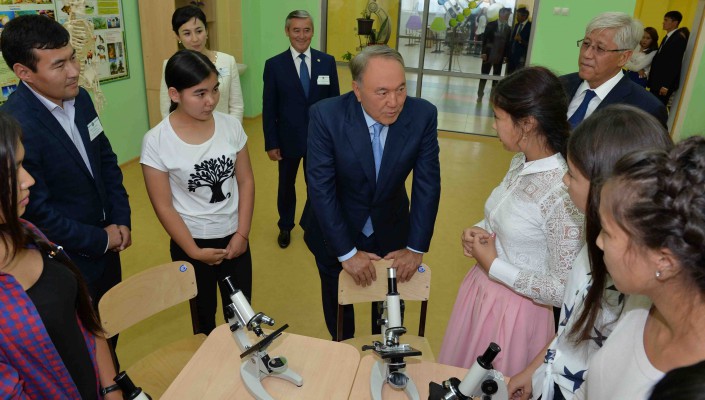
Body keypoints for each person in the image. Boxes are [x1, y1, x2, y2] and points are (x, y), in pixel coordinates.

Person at [507, 105, 673, 400]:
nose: (564, 181)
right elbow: (574, 321)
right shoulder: (598, 241)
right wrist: (535, 370)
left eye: (572, 175)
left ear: (606, 187)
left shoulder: (631, 277)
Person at [439, 66, 584, 376]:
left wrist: (494, 266)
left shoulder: (562, 191)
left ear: (527, 124)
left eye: (498, 117)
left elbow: (562, 289)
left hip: (516, 314)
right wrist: (480, 228)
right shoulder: (520, 161)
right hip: (482, 294)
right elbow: (505, 216)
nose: (493, 125)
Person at [301, 45, 440, 340]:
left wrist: (416, 248)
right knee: (340, 310)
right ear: (357, 90)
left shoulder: (422, 115)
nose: (394, 102)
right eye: (382, 92)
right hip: (335, 229)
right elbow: (321, 189)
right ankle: (344, 350)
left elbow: (427, 184)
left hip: (391, 227)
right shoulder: (326, 116)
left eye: (401, 89)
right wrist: (346, 253)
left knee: (390, 310)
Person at [0, 15, 131, 306]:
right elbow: (37, 211)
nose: (73, 72)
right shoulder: (15, 126)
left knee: (112, 319)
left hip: (109, 243)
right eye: (59, 65)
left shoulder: (80, 98)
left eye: (72, 58)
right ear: (24, 72)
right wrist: (100, 240)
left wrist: (121, 217)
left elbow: (105, 159)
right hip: (65, 260)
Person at [0, 112, 120, 399]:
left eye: (23, 165)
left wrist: (111, 388)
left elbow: (83, 314)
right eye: (11, 171)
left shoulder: (28, 232)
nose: (28, 180)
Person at [574, 136, 705, 399]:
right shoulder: (642, 298)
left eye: (608, 233)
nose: (598, 242)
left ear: (664, 261)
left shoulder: (692, 387)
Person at [141, 49, 254, 335]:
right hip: (190, 242)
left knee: (241, 316)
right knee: (203, 320)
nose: (211, 100)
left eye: (214, 89)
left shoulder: (230, 126)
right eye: (200, 93)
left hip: (234, 239)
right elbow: (163, 206)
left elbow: (246, 181)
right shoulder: (156, 141)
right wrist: (194, 251)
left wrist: (242, 234)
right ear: (175, 94)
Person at [263, 10, 339, 249]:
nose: (302, 35)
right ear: (287, 31)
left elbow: (335, 104)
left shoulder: (327, 62)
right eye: (296, 30)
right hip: (287, 140)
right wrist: (271, 142)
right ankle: (285, 225)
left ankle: (314, 223)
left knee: (318, 185)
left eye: (306, 30)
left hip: (320, 140)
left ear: (313, 31)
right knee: (286, 186)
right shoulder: (274, 65)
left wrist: (336, 139)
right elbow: (269, 107)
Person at [561, 12, 667, 128]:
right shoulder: (559, 85)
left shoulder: (646, 110)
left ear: (623, 57)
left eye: (600, 48)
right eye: (586, 44)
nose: (587, 54)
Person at [159, 5, 244, 122]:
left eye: (199, 31)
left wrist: (232, 130)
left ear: (206, 30)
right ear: (178, 36)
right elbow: (166, 109)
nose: (195, 39)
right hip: (187, 130)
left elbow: (236, 106)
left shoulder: (228, 61)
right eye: (187, 33)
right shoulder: (171, 65)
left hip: (223, 128)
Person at [648, 11, 688, 106]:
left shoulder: (678, 39)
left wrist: (666, 85)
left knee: (657, 108)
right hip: (657, 81)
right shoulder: (668, 37)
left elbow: (675, 63)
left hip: (663, 84)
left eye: (666, 20)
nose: (663, 22)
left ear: (675, 22)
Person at [477, 8, 512, 102]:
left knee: (496, 76)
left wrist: (506, 56)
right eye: (507, 15)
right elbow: (485, 39)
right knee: (484, 75)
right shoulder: (491, 24)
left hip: (500, 56)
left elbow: (507, 44)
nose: (508, 16)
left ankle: (493, 96)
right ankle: (480, 94)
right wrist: (483, 52)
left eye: (509, 15)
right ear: (501, 14)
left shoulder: (508, 28)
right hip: (488, 54)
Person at [506, 7, 531, 75]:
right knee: (509, 75)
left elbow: (530, 44)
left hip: (521, 58)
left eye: (518, 15)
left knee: (518, 76)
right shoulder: (517, 25)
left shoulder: (530, 27)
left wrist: (521, 40)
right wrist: (508, 55)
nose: (516, 17)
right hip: (512, 56)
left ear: (524, 16)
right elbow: (512, 40)